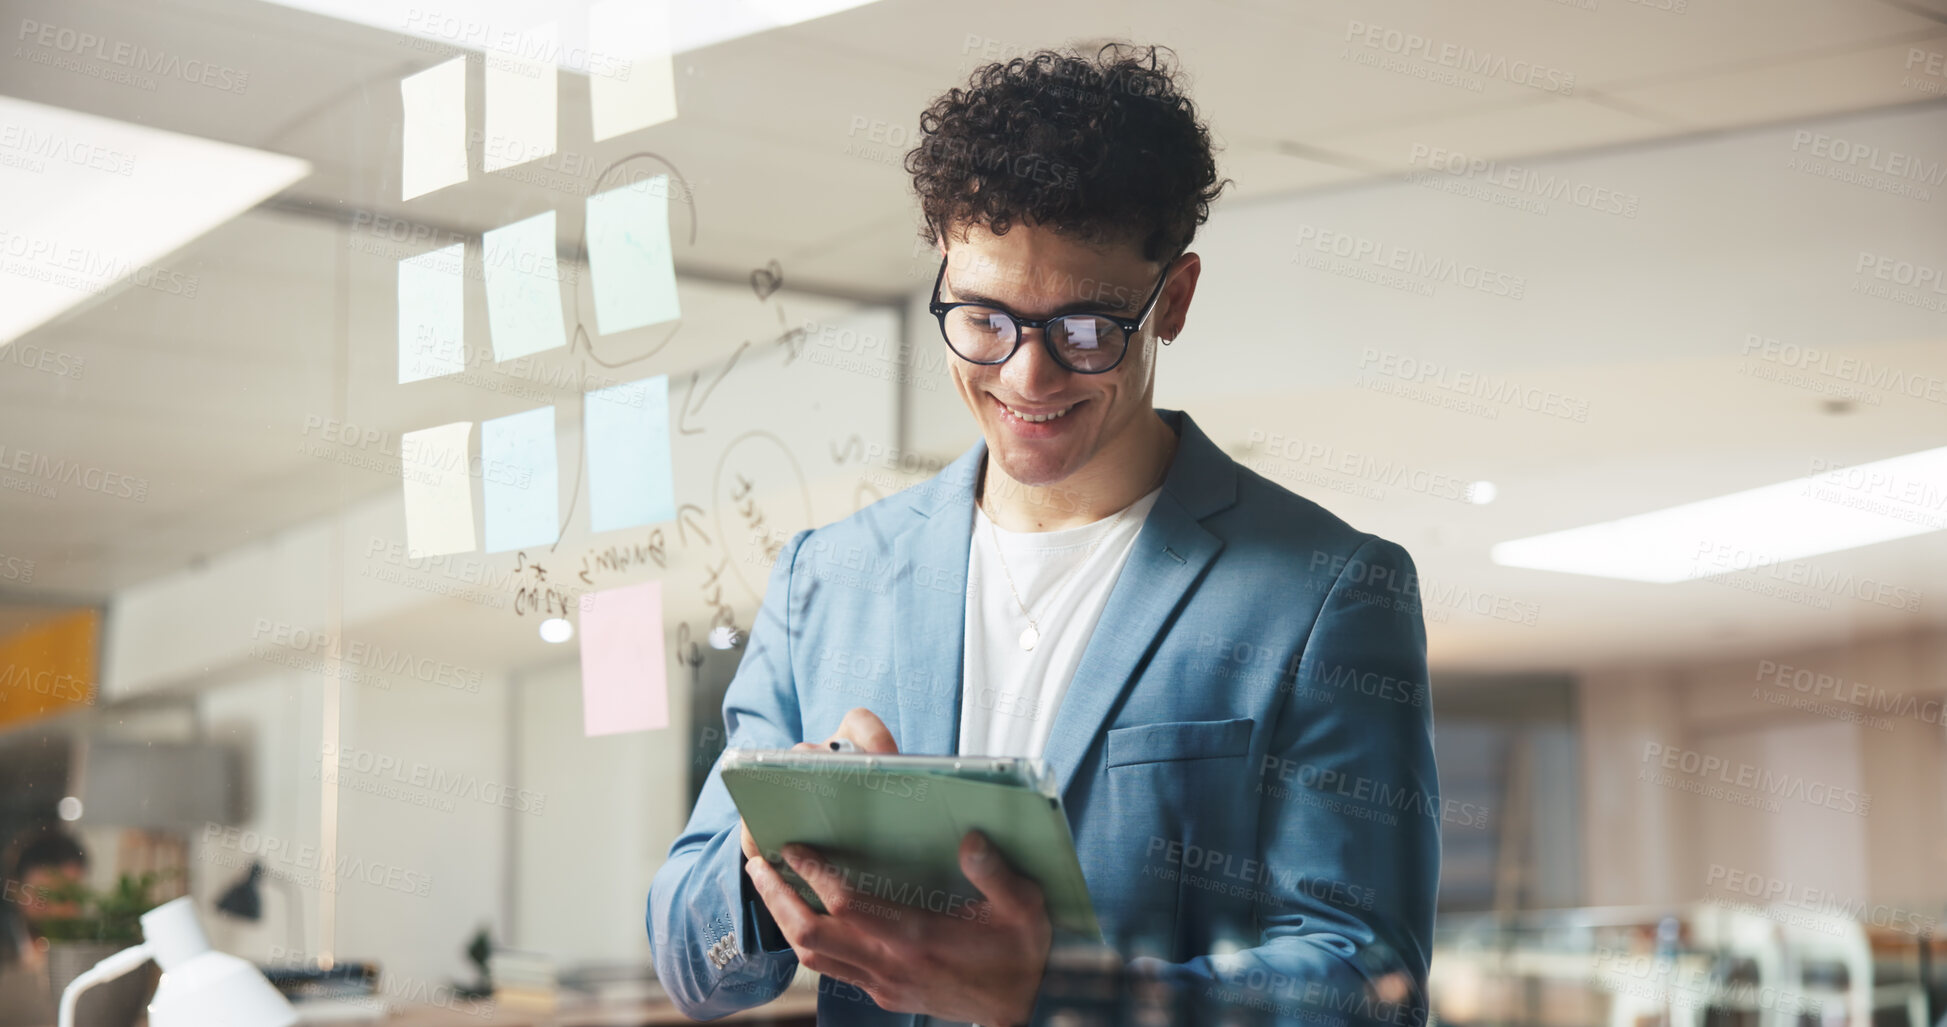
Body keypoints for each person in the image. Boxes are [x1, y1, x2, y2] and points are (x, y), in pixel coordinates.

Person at [648, 43, 1439, 1026]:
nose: (1027, 378)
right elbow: (691, 951)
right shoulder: (828, 577)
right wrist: (783, 855)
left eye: (1085, 327)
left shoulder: (1324, 592)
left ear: (1176, 299)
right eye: (983, 318)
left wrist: (1057, 993)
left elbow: (1367, 988)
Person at [0, 830, 88, 1025]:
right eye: (44, 898)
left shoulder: (89, 951)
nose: (57, 911)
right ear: (16, 890)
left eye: (67, 897)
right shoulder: (5, 949)